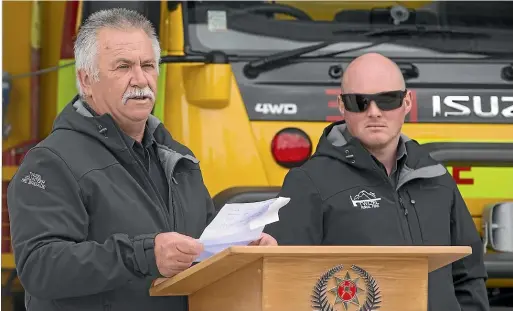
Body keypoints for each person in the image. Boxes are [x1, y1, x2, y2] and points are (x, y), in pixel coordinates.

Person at [7, 8, 276, 311]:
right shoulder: (51, 162)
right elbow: (40, 267)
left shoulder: (178, 158)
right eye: (123, 67)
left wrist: (239, 250)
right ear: (86, 81)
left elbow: (200, 245)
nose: (140, 79)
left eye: (148, 65)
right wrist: (145, 255)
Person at [264, 53, 489, 311]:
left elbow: (468, 275)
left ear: (407, 102)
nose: (374, 112)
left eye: (387, 100)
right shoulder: (308, 182)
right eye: (359, 102)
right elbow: (285, 285)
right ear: (341, 105)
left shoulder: (435, 177)